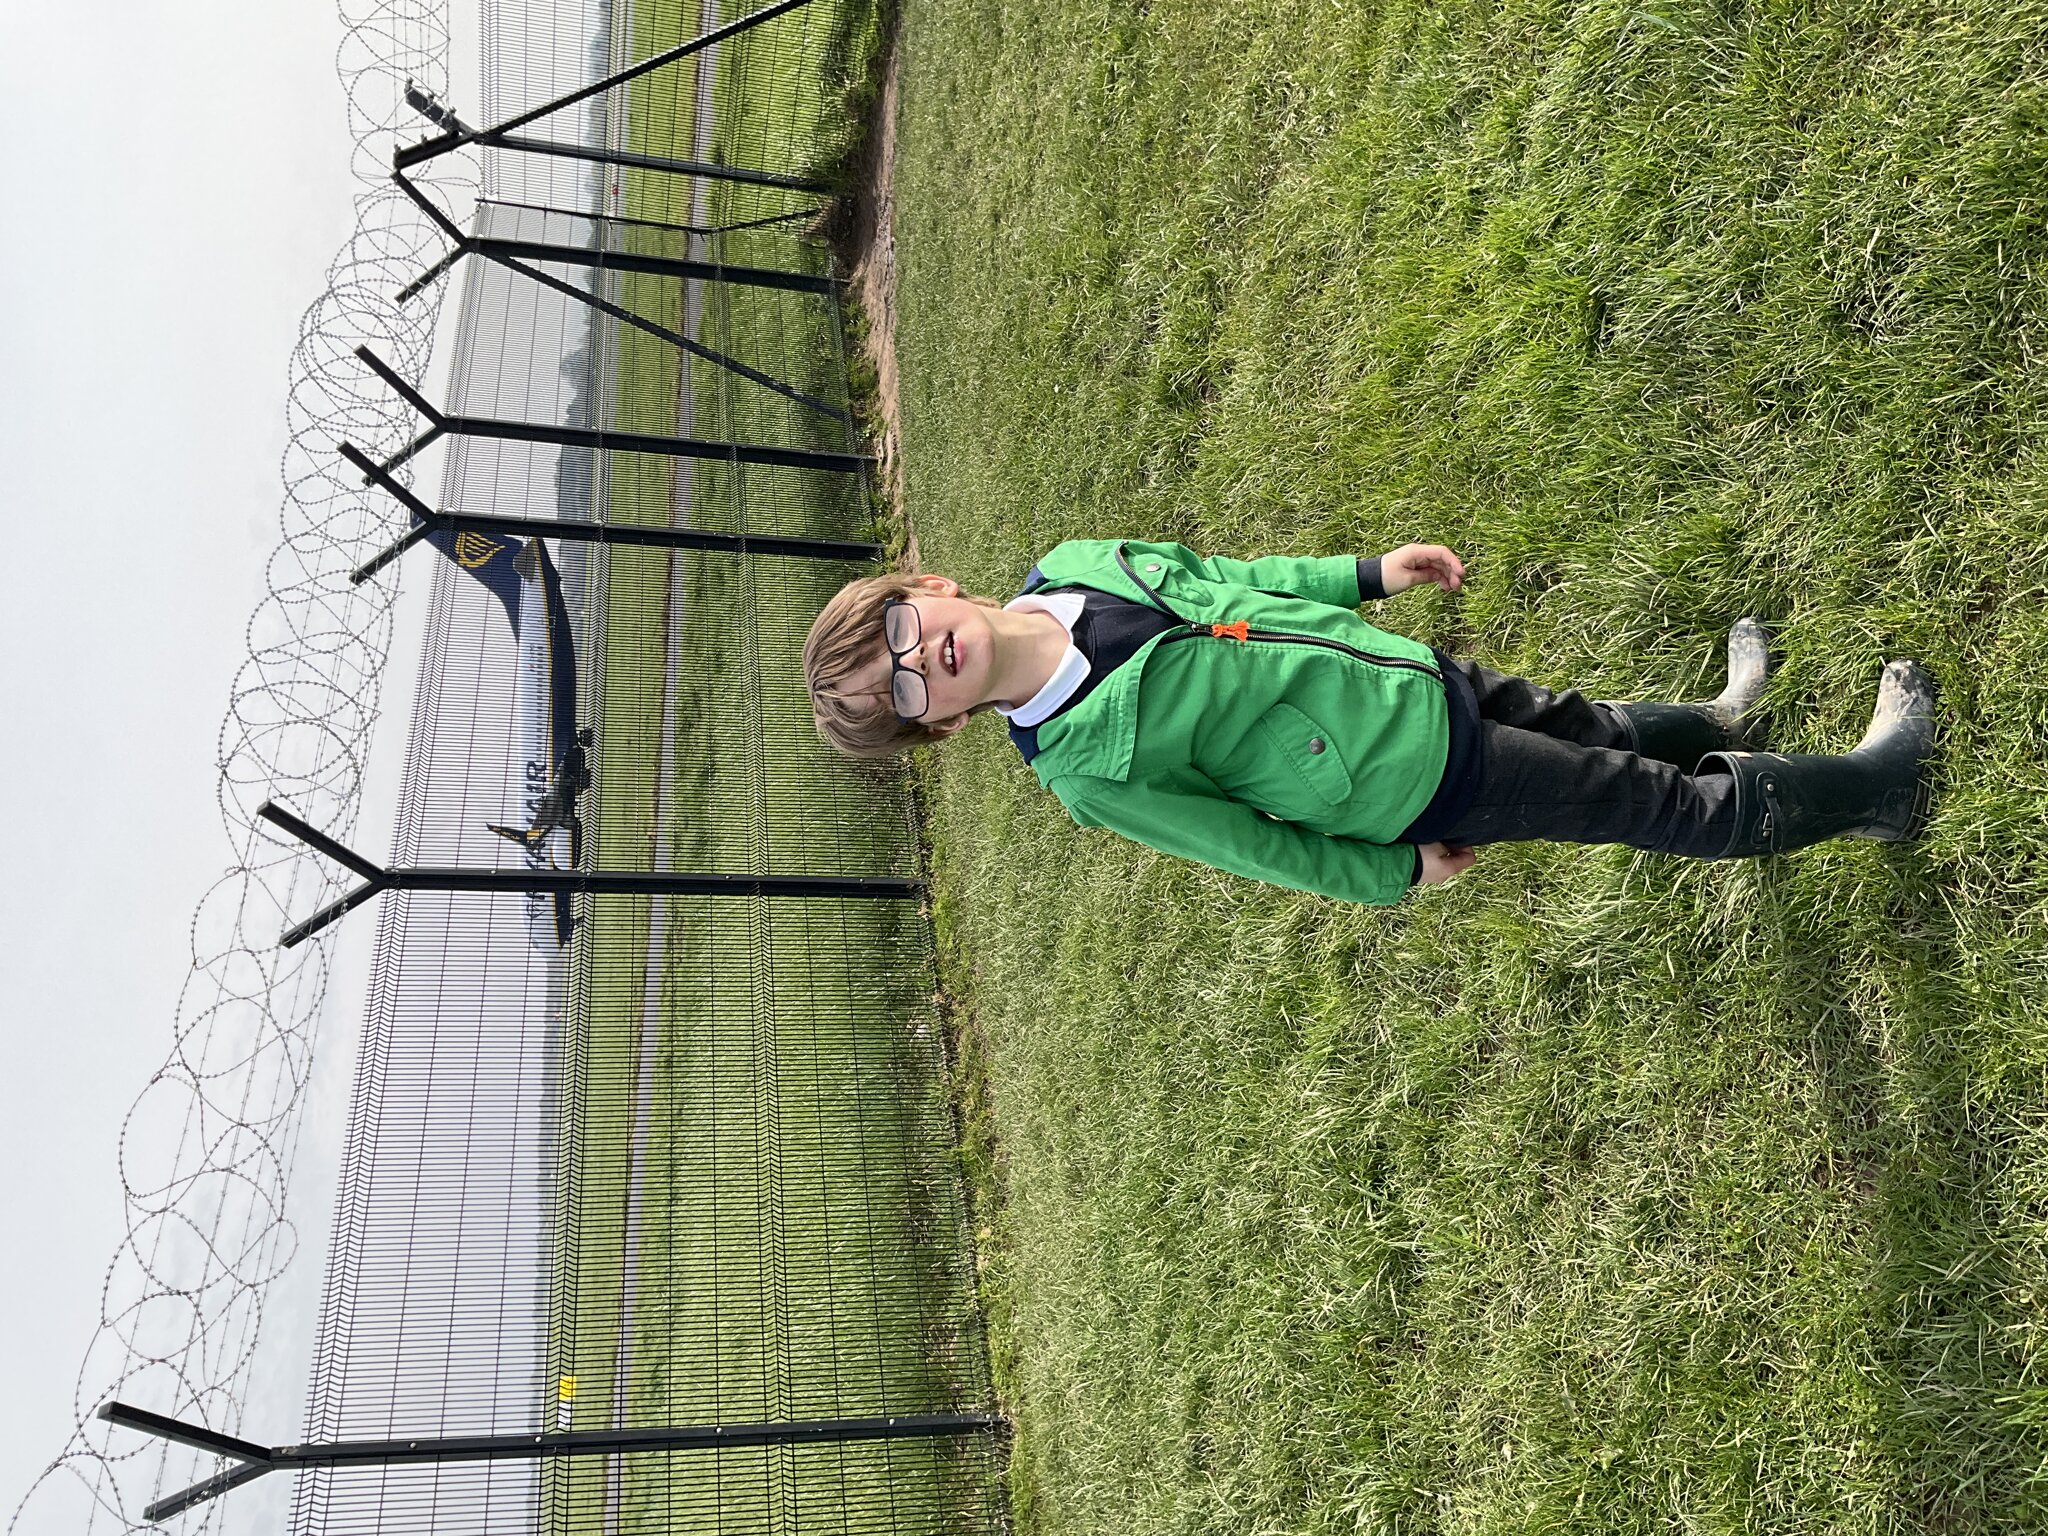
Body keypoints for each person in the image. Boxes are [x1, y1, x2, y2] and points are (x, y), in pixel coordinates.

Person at [801, 539, 1937, 904]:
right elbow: (1243, 845)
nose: (919, 667)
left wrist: (1367, 576)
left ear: (928, 591)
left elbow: (1234, 577)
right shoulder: (1083, 767)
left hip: (1401, 676)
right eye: (903, 694)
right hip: (1405, 779)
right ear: (938, 728)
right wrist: (1386, 877)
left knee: (1592, 726)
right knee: (1638, 804)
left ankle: (1721, 713)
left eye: (900, 637)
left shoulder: (1074, 564)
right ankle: (1876, 786)